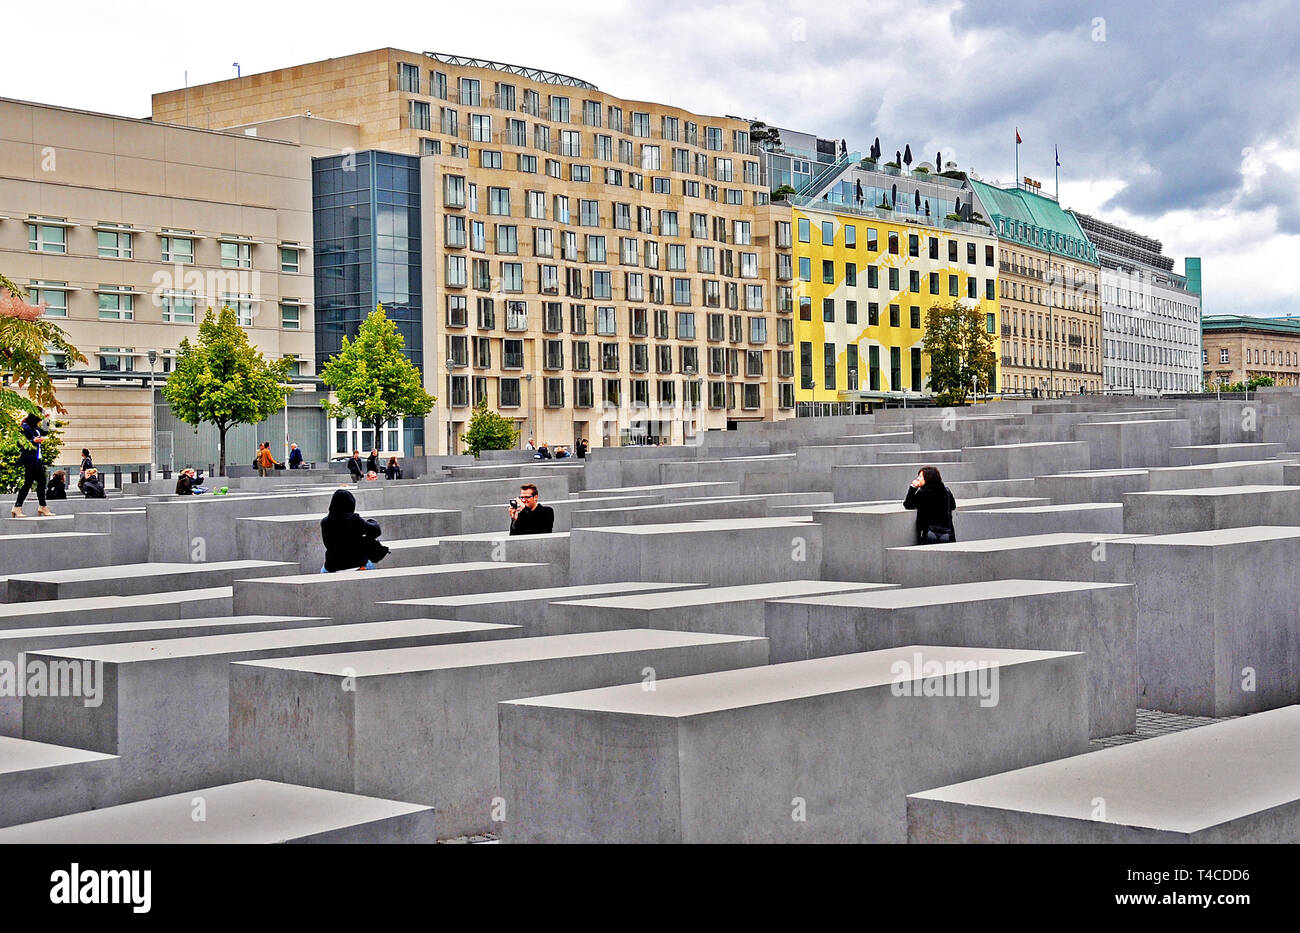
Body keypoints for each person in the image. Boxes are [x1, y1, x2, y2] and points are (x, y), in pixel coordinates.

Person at [320, 488, 389, 572]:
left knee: (323, 570)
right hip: (357, 565)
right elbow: (375, 531)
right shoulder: (354, 519)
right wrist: (371, 522)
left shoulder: (325, 522)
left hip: (332, 567)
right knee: (371, 566)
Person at [11, 412, 53, 518]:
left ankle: (39, 506)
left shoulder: (34, 428)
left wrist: (47, 421)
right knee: (30, 483)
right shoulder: (25, 427)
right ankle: (19, 507)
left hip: (36, 459)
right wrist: (33, 441)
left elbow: (44, 433)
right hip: (30, 459)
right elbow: (20, 443)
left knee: (38, 482)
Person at [903, 466, 957, 545]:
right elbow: (953, 506)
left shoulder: (922, 493)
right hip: (947, 534)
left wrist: (913, 487)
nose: (918, 479)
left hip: (928, 534)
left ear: (928, 478)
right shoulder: (946, 491)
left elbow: (908, 505)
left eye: (920, 476)